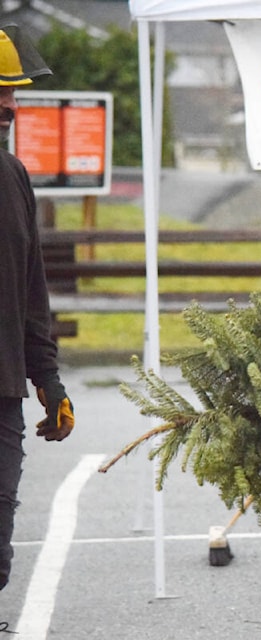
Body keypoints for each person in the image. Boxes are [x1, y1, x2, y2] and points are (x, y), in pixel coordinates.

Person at [0, 23, 76, 594]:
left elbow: (31, 291)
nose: (10, 104)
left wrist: (48, 380)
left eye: (13, 91)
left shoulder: (13, 177)